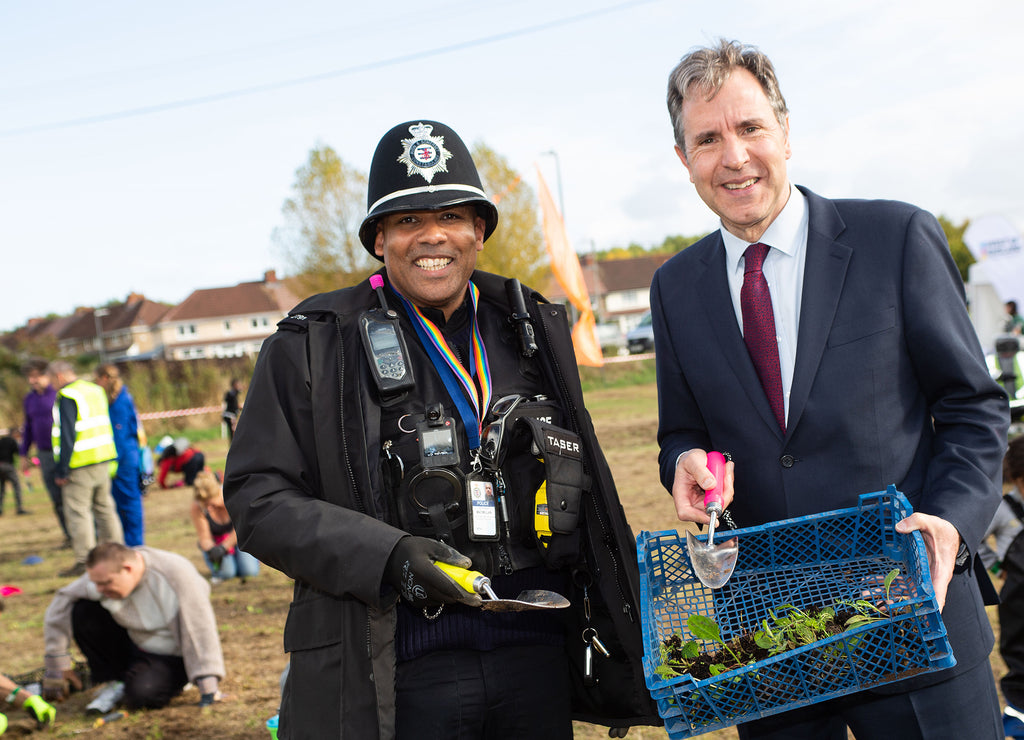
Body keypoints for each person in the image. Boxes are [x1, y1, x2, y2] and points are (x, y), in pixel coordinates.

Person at [224, 119, 658, 739]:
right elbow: (257, 500)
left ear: (479, 231)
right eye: (407, 221)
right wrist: (390, 556)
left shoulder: (529, 326)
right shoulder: (315, 344)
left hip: (534, 656)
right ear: (378, 239)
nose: (434, 236)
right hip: (400, 667)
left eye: (453, 216)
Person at [651, 40, 1009, 740]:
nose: (734, 156)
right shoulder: (674, 287)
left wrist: (951, 521)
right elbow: (681, 430)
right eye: (708, 138)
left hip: (915, 618)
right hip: (773, 639)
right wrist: (684, 462)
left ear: (785, 130)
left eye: (750, 127)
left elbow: (972, 408)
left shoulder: (896, 237)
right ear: (683, 158)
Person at [41, 542, 225, 713]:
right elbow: (62, 601)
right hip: (133, 640)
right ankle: (114, 679)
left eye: (105, 583)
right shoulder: (105, 573)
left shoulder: (175, 575)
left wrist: (207, 685)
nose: (98, 589)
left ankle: (177, 681)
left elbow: (200, 630)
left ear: (128, 569)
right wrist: (57, 664)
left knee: (142, 696)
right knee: (83, 609)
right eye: (96, 583)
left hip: (170, 654)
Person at [49, 361, 124, 577]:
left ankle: (85, 561)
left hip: (80, 465)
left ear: (60, 376)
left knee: (78, 513)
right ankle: (116, 552)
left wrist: (62, 470)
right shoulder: (94, 390)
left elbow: (67, 434)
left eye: (53, 380)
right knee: (105, 509)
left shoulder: (69, 395)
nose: (54, 385)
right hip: (103, 459)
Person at [991, 436, 1024, 737]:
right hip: (1016, 593)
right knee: (1018, 648)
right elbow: (975, 542)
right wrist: (997, 568)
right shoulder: (1004, 508)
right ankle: (1018, 712)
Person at [20, 358, 71, 543]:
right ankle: (69, 535)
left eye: (37, 376)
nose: (33, 380)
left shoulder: (59, 394)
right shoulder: (29, 399)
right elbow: (28, 426)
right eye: (29, 377)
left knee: (73, 496)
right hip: (45, 453)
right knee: (56, 498)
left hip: (64, 451)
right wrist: (24, 453)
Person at [95, 364, 145, 546]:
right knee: (118, 503)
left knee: (130, 503)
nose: (96, 383)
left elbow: (120, 435)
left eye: (98, 379)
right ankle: (125, 542)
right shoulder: (114, 398)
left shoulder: (120, 401)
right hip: (120, 457)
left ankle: (135, 543)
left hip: (123, 459)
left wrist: (114, 461)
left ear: (105, 379)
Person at [190, 468, 259, 583]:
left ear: (218, 493)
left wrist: (224, 547)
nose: (208, 508)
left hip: (239, 538)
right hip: (217, 541)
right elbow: (204, 537)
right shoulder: (198, 507)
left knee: (249, 572)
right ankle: (218, 566)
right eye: (205, 505)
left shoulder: (233, 498)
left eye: (211, 503)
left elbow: (242, 529)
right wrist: (213, 550)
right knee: (228, 574)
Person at [0, 428, 27, 516]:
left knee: (2, 488)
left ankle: (0, 509)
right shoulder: (12, 441)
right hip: (8, 465)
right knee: (16, 486)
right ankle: (19, 508)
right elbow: (19, 452)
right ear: (14, 433)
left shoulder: (2, 440)